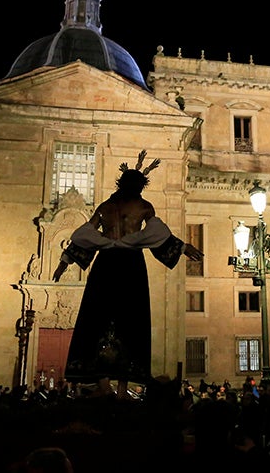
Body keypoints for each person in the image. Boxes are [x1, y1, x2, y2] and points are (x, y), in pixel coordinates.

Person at [52, 151, 204, 399]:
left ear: (120, 184)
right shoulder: (144, 207)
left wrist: (64, 262)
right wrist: (184, 248)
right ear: (139, 186)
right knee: (131, 322)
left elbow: (84, 237)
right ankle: (121, 390)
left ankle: (102, 385)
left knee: (97, 319)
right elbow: (159, 236)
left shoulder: (105, 207)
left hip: (106, 264)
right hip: (131, 264)